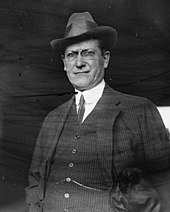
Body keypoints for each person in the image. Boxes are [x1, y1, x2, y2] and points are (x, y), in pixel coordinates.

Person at [25, 12, 170, 212]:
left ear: (105, 59)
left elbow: (164, 179)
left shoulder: (139, 110)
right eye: (71, 55)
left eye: (87, 53)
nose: (79, 63)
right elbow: (35, 178)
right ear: (64, 63)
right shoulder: (52, 118)